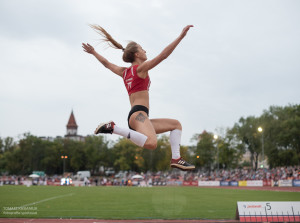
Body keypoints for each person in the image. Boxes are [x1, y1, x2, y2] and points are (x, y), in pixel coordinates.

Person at [82, 25, 195, 171]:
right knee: (152, 143)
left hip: (140, 117)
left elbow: (107, 64)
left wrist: (94, 52)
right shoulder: (140, 69)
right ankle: (113, 128)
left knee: (176, 125)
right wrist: (180, 37)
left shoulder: (124, 72)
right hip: (138, 115)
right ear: (136, 54)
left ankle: (176, 158)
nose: (145, 51)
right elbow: (163, 56)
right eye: (142, 49)